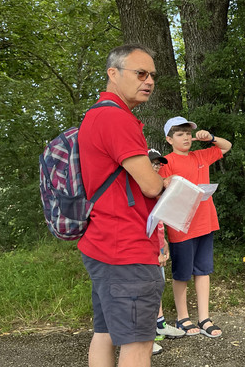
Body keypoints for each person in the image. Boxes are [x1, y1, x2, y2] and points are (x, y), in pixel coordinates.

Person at [78, 43, 167, 366]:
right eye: (140, 73)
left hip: (102, 241)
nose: (149, 81)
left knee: (105, 333)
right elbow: (150, 184)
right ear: (112, 74)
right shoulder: (118, 120)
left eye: (152, 75)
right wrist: (166, 184)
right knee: (139, 343)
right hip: (126, 247)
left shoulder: (96, 115)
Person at [159, 117, 232, 338]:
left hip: (206, 221)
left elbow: (226, 146)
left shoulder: (201, 155)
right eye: (180, 134)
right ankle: (183, 318)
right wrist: (167, 181)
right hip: (181, 225)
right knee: (182, 273)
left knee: (203, 271)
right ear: (169, 139)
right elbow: (158, 188)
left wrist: (210, 138)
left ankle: (204, 317)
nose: (186, 137)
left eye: (188, 133)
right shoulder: (165, 162)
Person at [147, 150, 186, 356]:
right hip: (144, 250)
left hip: (158, 246)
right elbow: (143, 226)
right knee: (147, 292)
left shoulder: (156, 191)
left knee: (158, 287)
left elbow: (159, 222)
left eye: (158, 165)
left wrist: (164, 245)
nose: (156, 168)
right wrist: (155, 250)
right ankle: (144, 337)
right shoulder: (142, 189)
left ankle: (159, 325)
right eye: (152, 164)